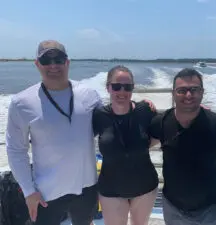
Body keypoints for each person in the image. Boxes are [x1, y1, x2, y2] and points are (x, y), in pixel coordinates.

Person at [5, 40, 101, 225]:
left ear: (67, 62)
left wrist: (138, 107)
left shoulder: (90, 95)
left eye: (58, 59)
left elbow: (111, 120)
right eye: (46, 61)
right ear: (37, 64)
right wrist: (28, 191)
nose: (53, 65)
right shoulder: (21, 103)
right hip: (46, 193)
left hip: (87, 187)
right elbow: (16, 150)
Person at [149, 68, 216, 225]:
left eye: (194, 89)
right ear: (173, 93)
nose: (188, 95)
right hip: (173, 207)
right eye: (182, 90)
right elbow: (140, 147)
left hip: (209, 209)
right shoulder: (160, 122)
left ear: (202, 92)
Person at [92, 65, 159, 225]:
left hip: (145, 186)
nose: (122, 92)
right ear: (108, 87)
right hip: (111, 188)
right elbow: (77, 138)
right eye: (116, 86)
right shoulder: (98, 116)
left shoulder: (145, 110)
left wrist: (195, 111)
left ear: (133, 88)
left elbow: (170, 123)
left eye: (127, 87)